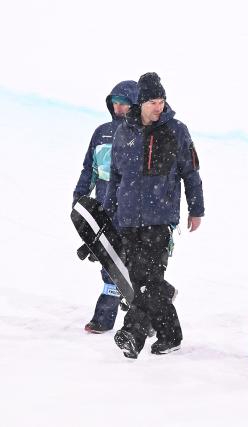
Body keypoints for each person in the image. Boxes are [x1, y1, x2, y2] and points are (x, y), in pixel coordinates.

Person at [104, 72, 204, 359]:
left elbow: (190, 172)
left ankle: (133, 333)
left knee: (147, 278)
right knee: (141, 279)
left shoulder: (177, 130)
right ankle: (170, 334)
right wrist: (111, 208)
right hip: (128, 217)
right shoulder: (125, 131)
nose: (159, 107)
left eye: (162, 101)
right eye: (152, 101)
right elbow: (116, 175)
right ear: (141, 103)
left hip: (159, 217)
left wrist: (196, 209)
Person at [72, 80, 138, 334]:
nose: (119, 107)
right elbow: (89, 169)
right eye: (115, 102)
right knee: (109, 262)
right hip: (104, 207)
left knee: (136, 263)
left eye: (124, 103)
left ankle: (149, 312)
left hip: (133, 209)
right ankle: (107, 316)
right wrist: (80, 197)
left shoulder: (141, 134)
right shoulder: (101, 132)